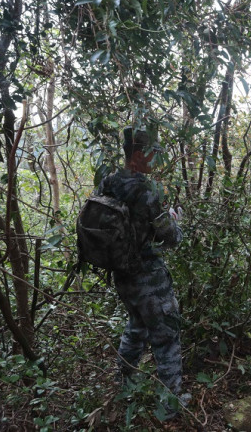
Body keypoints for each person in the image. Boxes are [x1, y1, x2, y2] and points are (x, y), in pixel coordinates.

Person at [97, 127, 186, 417]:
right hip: (148, 278)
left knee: (136, 326)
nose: (156, 159)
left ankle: (124, 383)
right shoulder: (146, 190)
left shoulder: (107, 182)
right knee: (166, 335)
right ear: (137, 155)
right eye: (153, 153)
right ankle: (171, 406)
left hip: (121, 275)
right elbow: (169, 237)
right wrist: (174, 221)